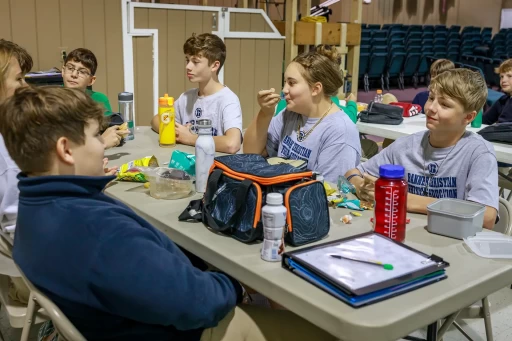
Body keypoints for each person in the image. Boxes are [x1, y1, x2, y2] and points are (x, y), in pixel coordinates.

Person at [1, 86, 337, 341]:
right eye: (94, 136)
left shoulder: (34, 208)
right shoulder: (96, 231)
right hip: (184, 330)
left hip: (120, 318)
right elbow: (198, 304)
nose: (103, 144)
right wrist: (237, 287)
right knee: (325, 329)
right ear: (65, 149)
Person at [345, 69, 498, 229]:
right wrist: (362, 186)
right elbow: (352, 173)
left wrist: (405, 199)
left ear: (468, 117)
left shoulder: (478, 153)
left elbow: (487, 216)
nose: (431, 108)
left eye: (444, 105)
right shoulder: (405, 145)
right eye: (431, 98)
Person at [243, 45, 361, 183]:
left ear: (315, 89)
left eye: (291, 83)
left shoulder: (340, 132)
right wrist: (265, 113)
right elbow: (251, 153)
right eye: (285, 82)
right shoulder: (290, 113)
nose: (284, 90)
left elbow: (328, 194)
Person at [151, 33, 242, 154]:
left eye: (195, 62)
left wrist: (190, 138)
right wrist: (176, 132)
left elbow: (232, 144)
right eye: (187, 60)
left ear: (214, 66)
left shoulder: (228, 100)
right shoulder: (186, 97)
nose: (188, 66)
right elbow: (156, 120)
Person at [0, 39, 33, 304]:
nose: (26, 86)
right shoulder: (6, 155)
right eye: (19, 79)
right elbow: (19, 226)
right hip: (31, 271)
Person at [62, 48, 128, 149]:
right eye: (70, 68)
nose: (74, 75)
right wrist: (101, 143)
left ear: (91, 80)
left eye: (82, 72)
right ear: (63, 71)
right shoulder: (50, 101)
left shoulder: (99, 99)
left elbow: (108, 128)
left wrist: (117, 132)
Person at [483, 58, 512, 125]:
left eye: (509, 76)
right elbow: (485, 120)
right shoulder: (503, 100)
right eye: (502, 76)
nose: (503, 80)